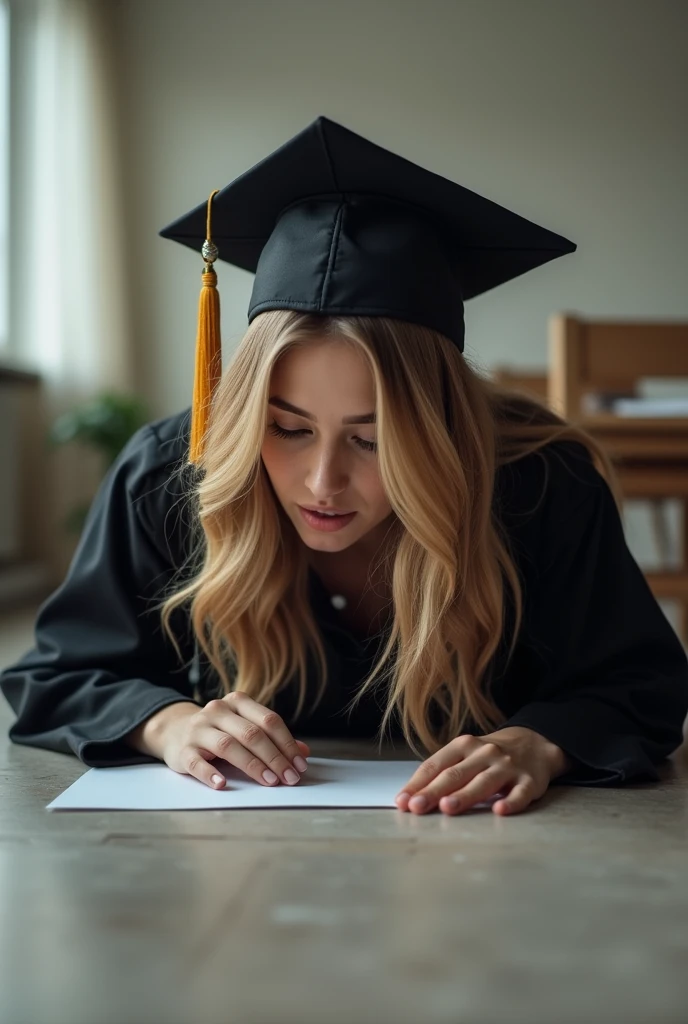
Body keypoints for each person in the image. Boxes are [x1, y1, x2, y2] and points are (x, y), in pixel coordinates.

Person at [2, 116, 687, 818]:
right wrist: (165, 723)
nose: (322, 481)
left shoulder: (541, 484)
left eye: (373, 439)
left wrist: (544, 742)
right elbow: (60, 672)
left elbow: (642, 684)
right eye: (288, 428)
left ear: (439, 429)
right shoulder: (169, 476)